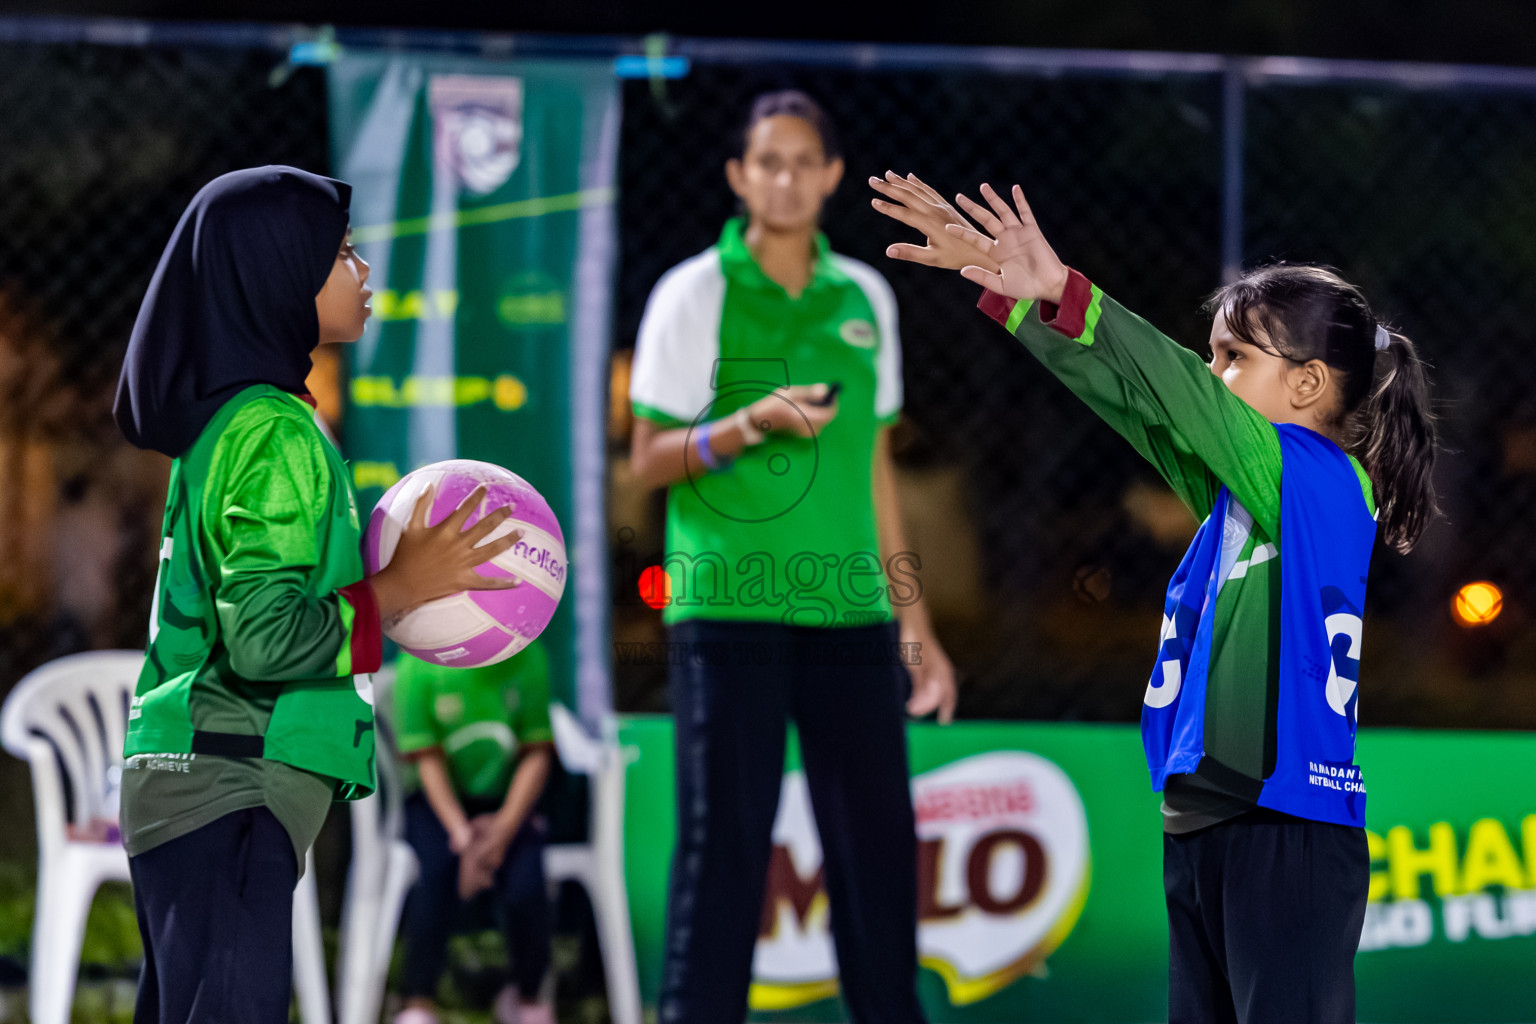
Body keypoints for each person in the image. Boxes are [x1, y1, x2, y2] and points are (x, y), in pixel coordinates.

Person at [870, 172, 1438, 1023]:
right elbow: (1142, 405)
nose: (1213, 372)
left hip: (1285, 826)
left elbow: (1174, 392)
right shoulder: (1247, 494)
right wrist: (1025, 302)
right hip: (1214, 821)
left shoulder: (1314, 479)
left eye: (1235, 357)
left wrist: (1067, 289)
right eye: (1212, 355)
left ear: (1309, 385)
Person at [115, 165, 522, 1024]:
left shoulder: (233, 422)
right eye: (340, 254)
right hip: (230, 782)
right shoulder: (275, 431)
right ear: (275, 276)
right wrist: (400, 589)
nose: (364, 270)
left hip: (199, 780)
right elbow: (264, 637)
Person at [627, 91, 956, 1024]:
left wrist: (916, 622)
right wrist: (750, 424)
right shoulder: (694, 293)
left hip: (851, 611)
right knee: (725, 848)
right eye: (767, 161)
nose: (786, 178)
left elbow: (877, 470)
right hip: (726, 606)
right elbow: (647, 459)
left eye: (804, 161)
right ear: (739, 176)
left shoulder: (866, 297)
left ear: (832, 175)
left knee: (877, 848)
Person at [391, 643, 557, 1024]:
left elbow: (537, 752)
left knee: (527, 883)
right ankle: (417, 1000)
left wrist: (503, 829)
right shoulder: (416, 663)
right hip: (437, 800)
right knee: (435, 871)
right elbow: (426, 757)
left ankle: (528, 995)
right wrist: (463, 837)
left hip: (507, 800)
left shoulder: (530, 656)